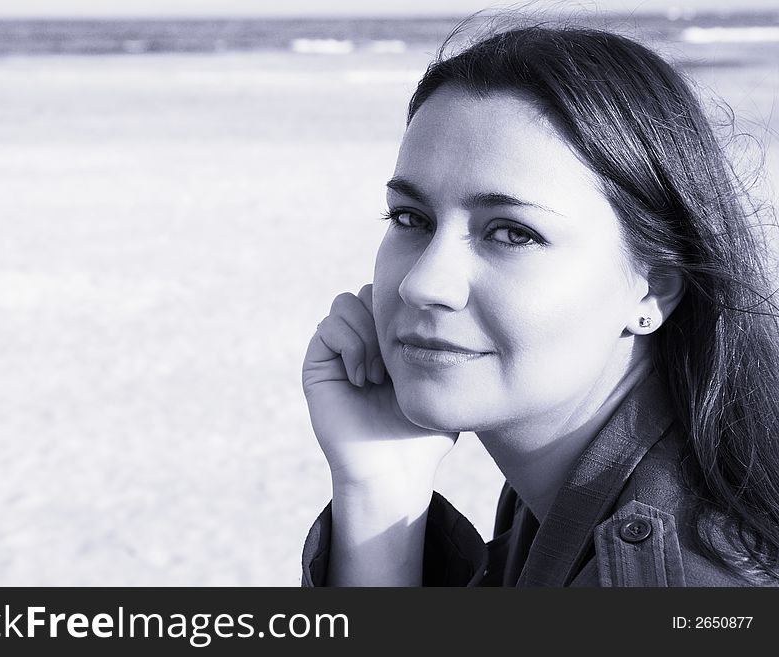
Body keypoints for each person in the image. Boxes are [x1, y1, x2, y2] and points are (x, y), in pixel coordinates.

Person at [300, 20, 779, 586]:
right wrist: (381, 491)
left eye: (512, 234)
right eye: (411, 218)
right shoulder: (559, 495)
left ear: (652, 287)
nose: (423, 284)